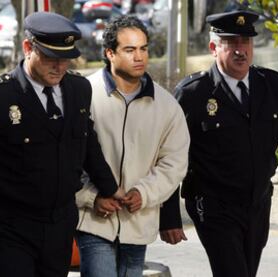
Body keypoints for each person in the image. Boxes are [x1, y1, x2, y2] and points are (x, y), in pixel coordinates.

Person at [0, 12, 123, 277]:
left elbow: (86, 142)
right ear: (28, 48)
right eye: (50, 58)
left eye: (65, 59)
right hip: (8, 226)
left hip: (60, 224)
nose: (59, 67)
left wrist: (110, 188)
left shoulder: (78, 89)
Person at [175, 10, 278, 277]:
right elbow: (171, 156)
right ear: (214, 47)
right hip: (213, 206)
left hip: (257, 203)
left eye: (246, 42)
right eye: (231, 43)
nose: (241, 50)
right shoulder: (193, 93)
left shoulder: (271, 85)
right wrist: (169, 217)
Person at [75, 15, 190, 277]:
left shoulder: (167, 105)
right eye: (129, 50)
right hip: (93, 221)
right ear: (110, 53)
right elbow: (68, 156)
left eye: (143, 48)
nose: (139, 57)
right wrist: (91, 197)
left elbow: (174, 162)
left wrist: (144, 193)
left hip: (139, 224)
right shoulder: (83, 93)